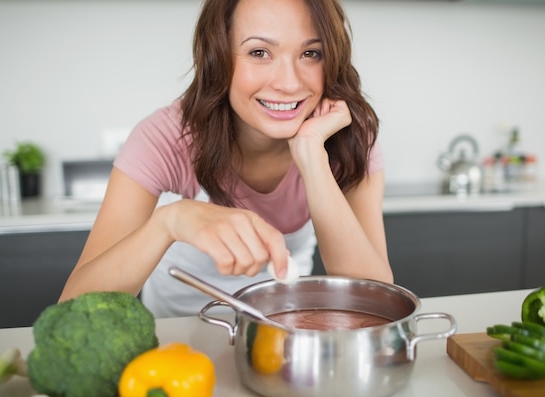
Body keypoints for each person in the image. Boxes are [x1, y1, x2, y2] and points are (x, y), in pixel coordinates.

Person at [59, 0, 394, 317]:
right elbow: (72, 311)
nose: (289, 83)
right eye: (259, 52)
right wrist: (170, 222)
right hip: (178, 339)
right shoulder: (165, 138)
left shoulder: (349, 136)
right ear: (218, 58)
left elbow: (376, 300)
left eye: (311, 53)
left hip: (277, 330)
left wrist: (312, 157)